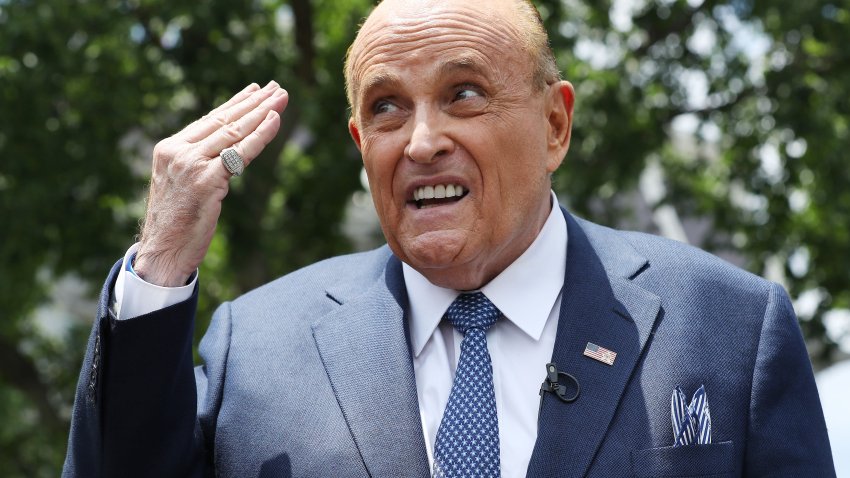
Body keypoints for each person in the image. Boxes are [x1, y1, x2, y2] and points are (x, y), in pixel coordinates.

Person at [63, 0, 836, 476]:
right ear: (360, 142)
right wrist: (161, 262)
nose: (423, 140)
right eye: (389, 108)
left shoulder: (728, 326)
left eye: (463, 94)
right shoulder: (256, 346)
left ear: (555, 124)